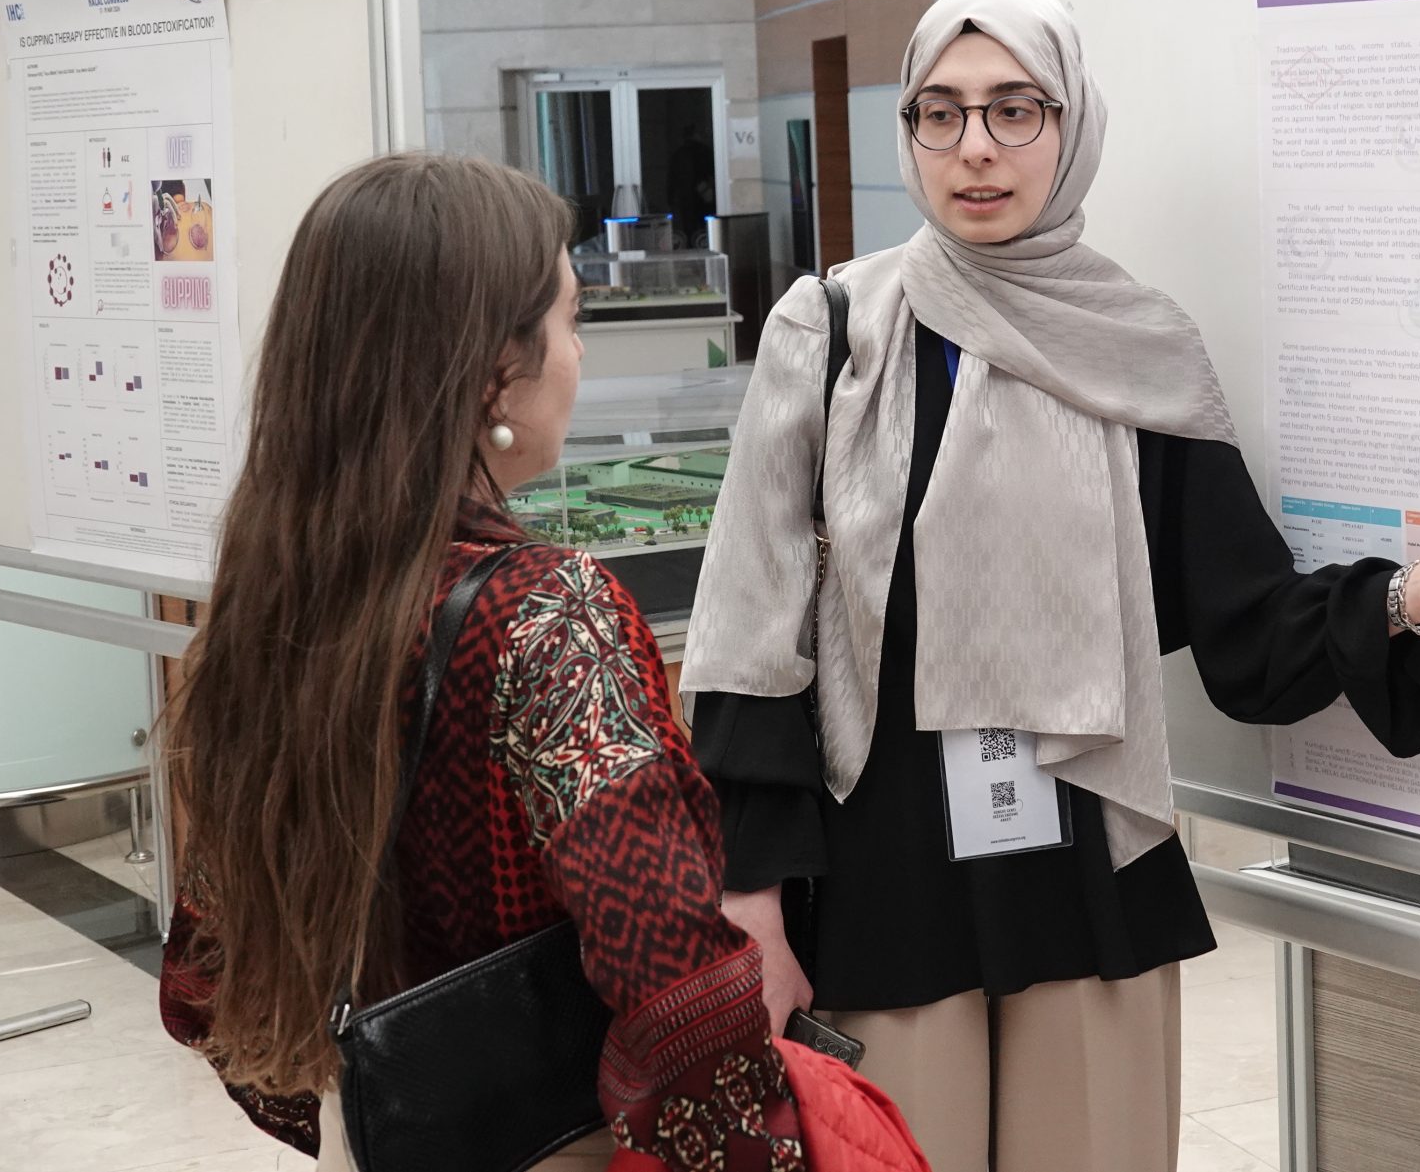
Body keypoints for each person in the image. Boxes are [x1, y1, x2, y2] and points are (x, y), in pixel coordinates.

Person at [683, 0, 1420, 1172]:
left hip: (1083, 862)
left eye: (1016, 108)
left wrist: (1406, 595)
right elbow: (751, 632)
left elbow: (1244, 624)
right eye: (940, 113)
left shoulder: (1137, 346)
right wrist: (753, 895)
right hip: (885, 872)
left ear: (1073, 125)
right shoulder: (832, 332)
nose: (975, 147)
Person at [157, 153, 924, 1171]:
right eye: (569, 320)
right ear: (490, 370)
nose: (579, 353)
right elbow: (678, 989)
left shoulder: (270, 598)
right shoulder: (549, 614)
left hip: (378, 1130)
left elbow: (207, 972)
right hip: (555, 1139)